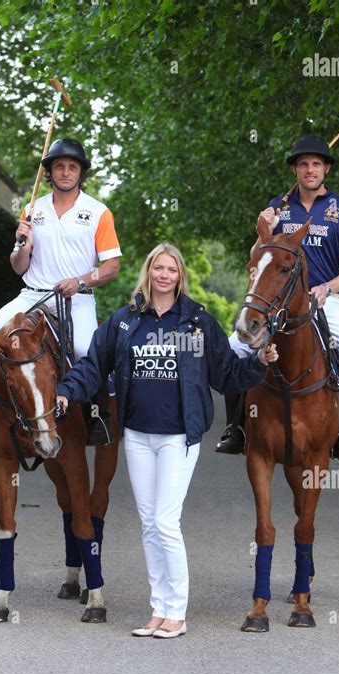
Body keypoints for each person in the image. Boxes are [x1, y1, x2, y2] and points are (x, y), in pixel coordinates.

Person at [56, 243, 279, 638]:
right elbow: (93, 366)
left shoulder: (196, 321)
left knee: (164, 520)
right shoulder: (125, 321)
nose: (164, 275)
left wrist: (257, 365)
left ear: (180, 276)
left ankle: (177, 612)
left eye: (171, 269)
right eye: (158, 268)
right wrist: (66, 391)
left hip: (179, 437)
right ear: (148, 272)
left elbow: (225, 375)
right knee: (148, 523)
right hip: (139, 436)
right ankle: (158, 609)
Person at [0, 138, 122, 443]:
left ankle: (98, 419)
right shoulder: (32, 210)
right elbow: (18, 266)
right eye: (59, 167)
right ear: (50, 173)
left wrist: (79, 281)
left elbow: (111, 267)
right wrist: (20, 242)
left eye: (72, 167)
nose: (65, 172)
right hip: (32, 294)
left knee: (85, 350)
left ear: (81, 173)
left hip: (75, 298)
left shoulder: (98, 212)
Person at [216, 134, 339, 465]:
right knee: (233, 350)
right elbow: (258, 259)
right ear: (295, 170)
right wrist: (262, 230)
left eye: (317, 164)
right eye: (304, 164)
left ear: (326, 169)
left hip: (326, 300)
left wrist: (328, 287)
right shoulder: (279, 207)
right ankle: (236, 428)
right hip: (278, 304)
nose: (310, 170)